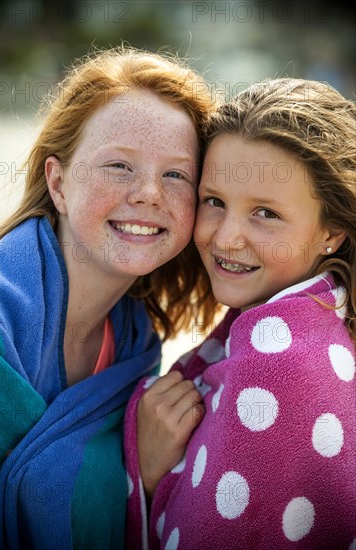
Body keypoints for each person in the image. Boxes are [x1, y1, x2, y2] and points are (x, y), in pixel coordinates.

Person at [0, 45, 220, 550]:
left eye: (176, 174)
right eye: (119, 165)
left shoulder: (138, 345)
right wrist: (136, 465)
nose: (148, 194)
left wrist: (148, 467)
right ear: (59, 183)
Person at [124, 77, 356, 549]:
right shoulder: (322, 322)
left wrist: (148, 473)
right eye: (215, 202)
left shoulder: (278, 362)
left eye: (265, 213)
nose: (226, 238)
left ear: (331, 229)